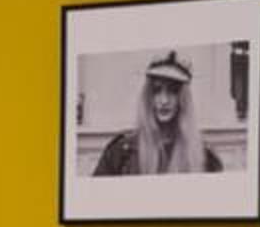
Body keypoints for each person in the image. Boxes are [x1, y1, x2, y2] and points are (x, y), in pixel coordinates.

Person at [92, 52, 222, 178]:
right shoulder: (121, 153)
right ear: (147, 97)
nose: (164, 101)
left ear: (183, 99)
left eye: (173, 91)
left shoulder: (205, 157)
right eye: (156, 91)